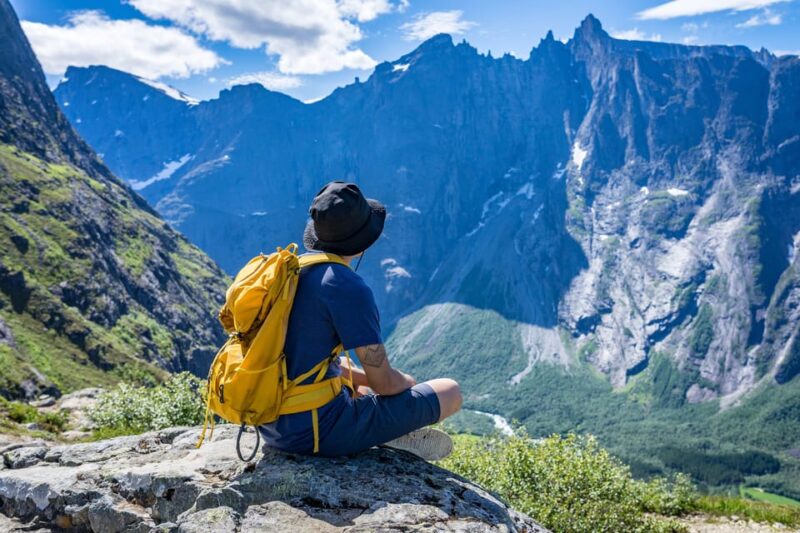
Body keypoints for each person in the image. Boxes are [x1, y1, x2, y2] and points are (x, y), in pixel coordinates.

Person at [258, 181, 462, 459]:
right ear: (363, 242)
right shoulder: (346, 287)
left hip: (270, 424)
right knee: (450, 391)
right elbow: (384, 383)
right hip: (314, 433)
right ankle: (386, 434)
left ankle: (383, 430)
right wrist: (408, 384)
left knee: (357, 381)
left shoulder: (289, 271)